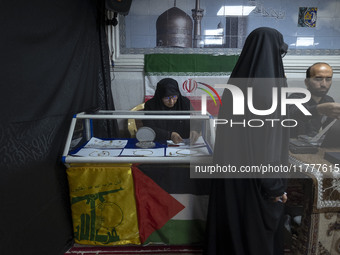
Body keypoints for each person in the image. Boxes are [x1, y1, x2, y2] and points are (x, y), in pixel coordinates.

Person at [204, 27, 288, 255]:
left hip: (232, 177)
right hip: (255, 182)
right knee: (254, 237)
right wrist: (274, 188)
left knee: (234, 228)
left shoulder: (236, 85)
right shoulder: (268, 92)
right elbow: (266, 147)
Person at [289, 62, 340, 138]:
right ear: (307, 82)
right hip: (293, 146)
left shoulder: (328, 100)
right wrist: (320, 109)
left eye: (328, 79)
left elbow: (329, 131)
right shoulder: (295, 97)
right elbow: (296, 113)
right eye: (318, 79)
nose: (324, 84)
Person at [143, 78, 200, 143]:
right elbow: (149, 127)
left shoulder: (185, 103)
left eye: (174, 97)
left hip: (183, 143)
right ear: (160, 96)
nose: (171, 101)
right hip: (159, 142)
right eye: (166, 98)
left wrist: (194, 130)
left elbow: (195, 121)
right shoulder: (151, 105)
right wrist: (169, 135)